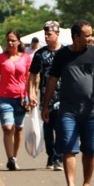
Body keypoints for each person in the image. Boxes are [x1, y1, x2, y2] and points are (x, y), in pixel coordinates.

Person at [42, 20, 94, 186]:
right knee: (68, 147)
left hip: (91, 111)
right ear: (76, 36)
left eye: (90, 35)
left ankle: (86, 184)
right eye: (87, 35)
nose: (90, 38)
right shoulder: (63, 55)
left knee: (90, 149)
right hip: (67, 110)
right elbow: (52, 81)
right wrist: (46, 105)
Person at [28, 21, 64, 171]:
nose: (47, 37)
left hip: (64, 97)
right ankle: (51, 154)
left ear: (57, 34)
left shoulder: (65, 52)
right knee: (48, 128)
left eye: (50, 34)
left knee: (62, 127)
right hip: (46, 97)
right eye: (45, 34)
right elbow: (32, 74)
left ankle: (59, 157)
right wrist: (31, 93)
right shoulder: (40, 54)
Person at [0, 30, 31, 171]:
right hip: (4, 98)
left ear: (18, 42)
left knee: (18, 129)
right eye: (8, 40)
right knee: (8, 128)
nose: (10, 42)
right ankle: (10, 158)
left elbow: (30, 79)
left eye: (13, 40)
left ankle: (14, 157)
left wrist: (31, 96)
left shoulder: (26, 58)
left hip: (21, 99)